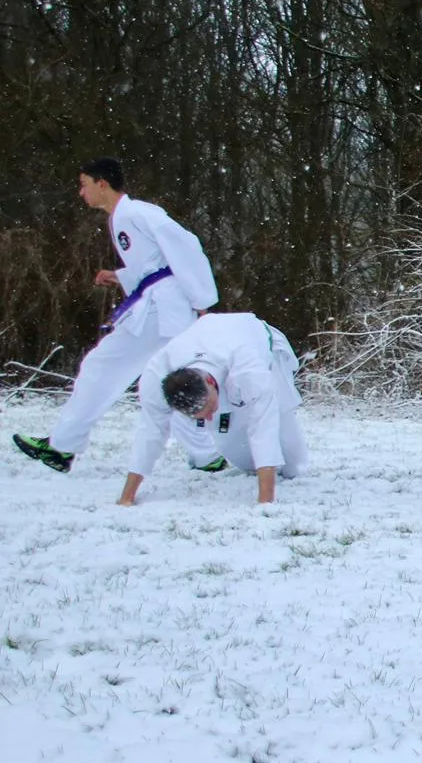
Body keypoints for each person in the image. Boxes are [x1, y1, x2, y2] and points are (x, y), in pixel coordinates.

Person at [13, 157, 222, 474]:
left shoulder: (137, 213)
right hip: (162, 309)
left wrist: (202, 300)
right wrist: (120, 276)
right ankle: (207, 456)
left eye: (84, 185)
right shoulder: (122, 218)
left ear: (102, 184)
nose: (81, 192)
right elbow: (154, 264)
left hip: (161, 310)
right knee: (169, 380)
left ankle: (62, 447)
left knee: (104, 368)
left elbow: (186, 246)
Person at [118, 313, 307, 506]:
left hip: (263, 348)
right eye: (198, 417)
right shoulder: (157, 373)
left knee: (292, 462)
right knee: (243, 458)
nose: (208, 418)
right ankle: (255, 463)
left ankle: (283, 466)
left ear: (209, 381)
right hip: (216, 353)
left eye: (208, 409)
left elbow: (263, 425)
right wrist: (127, 496)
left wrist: (265, 501)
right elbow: (150, 432)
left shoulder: (247, 366)